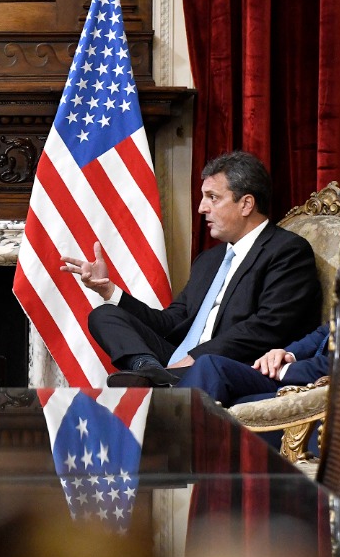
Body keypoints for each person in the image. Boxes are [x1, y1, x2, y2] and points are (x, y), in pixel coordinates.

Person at [61, 151, 321, 387]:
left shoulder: (287, 251)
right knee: (104, 315)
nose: (201, 208)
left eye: (213, 198)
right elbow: (171, 322)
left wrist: (195, 358)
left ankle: (158, 379)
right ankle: (151, 371)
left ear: (246, 204)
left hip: (230, 365)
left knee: (199, 369)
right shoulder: (208, 260)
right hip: (177, 363)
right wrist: (110, 291)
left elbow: (266, 327)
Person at [178, 171, 340, 407]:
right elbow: (328, 330)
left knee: (219, 393)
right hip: (305, 379)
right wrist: (287, 353)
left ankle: (167, 443)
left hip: (322, 402)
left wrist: (286, 370)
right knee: (212, 370)